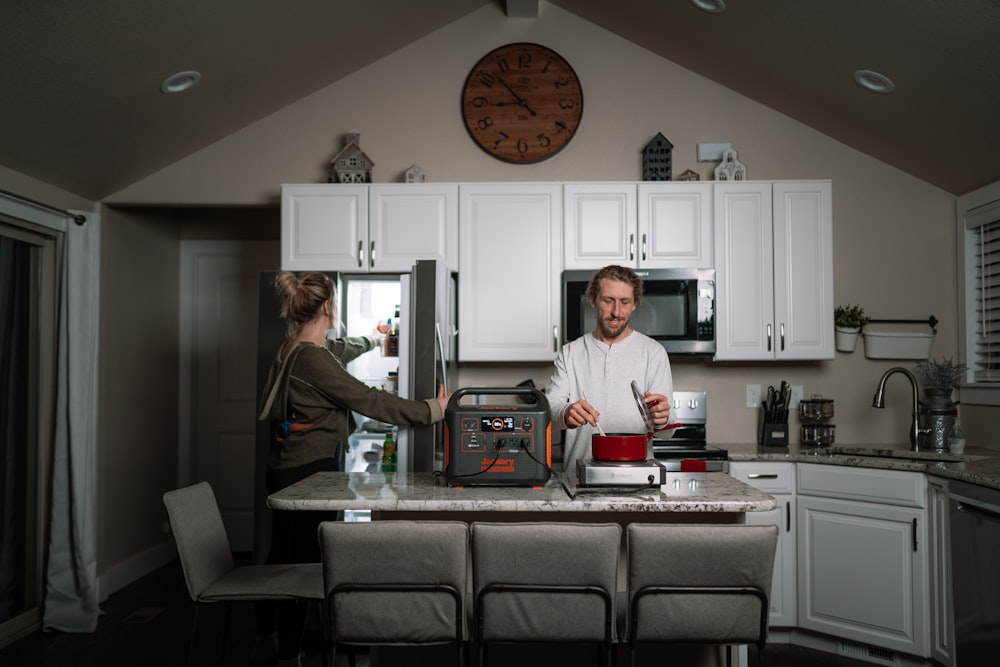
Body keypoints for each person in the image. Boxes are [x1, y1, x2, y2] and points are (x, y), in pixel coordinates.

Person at [256, 271, 449, 666]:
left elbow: (339, 348)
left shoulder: (293, 348)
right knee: (302, 566)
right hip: (309, 473)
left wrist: (376, 340)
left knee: (280, 555)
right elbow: (369, 400)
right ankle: (289, 655)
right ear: (328, 307)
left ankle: (267, 635)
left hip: (286, 467)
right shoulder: (312, 359)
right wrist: (433, 410)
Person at [545, 264, 674, 468]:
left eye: (625, 302)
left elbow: (667, 431)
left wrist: (662, 417)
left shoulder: (653, 353)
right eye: (608, 300)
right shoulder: (570, 353)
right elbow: (549, 411)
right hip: (580, 478)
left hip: (637, 477)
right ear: (593, 300)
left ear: (634, 304)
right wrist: (567, 412)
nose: (616, 312)